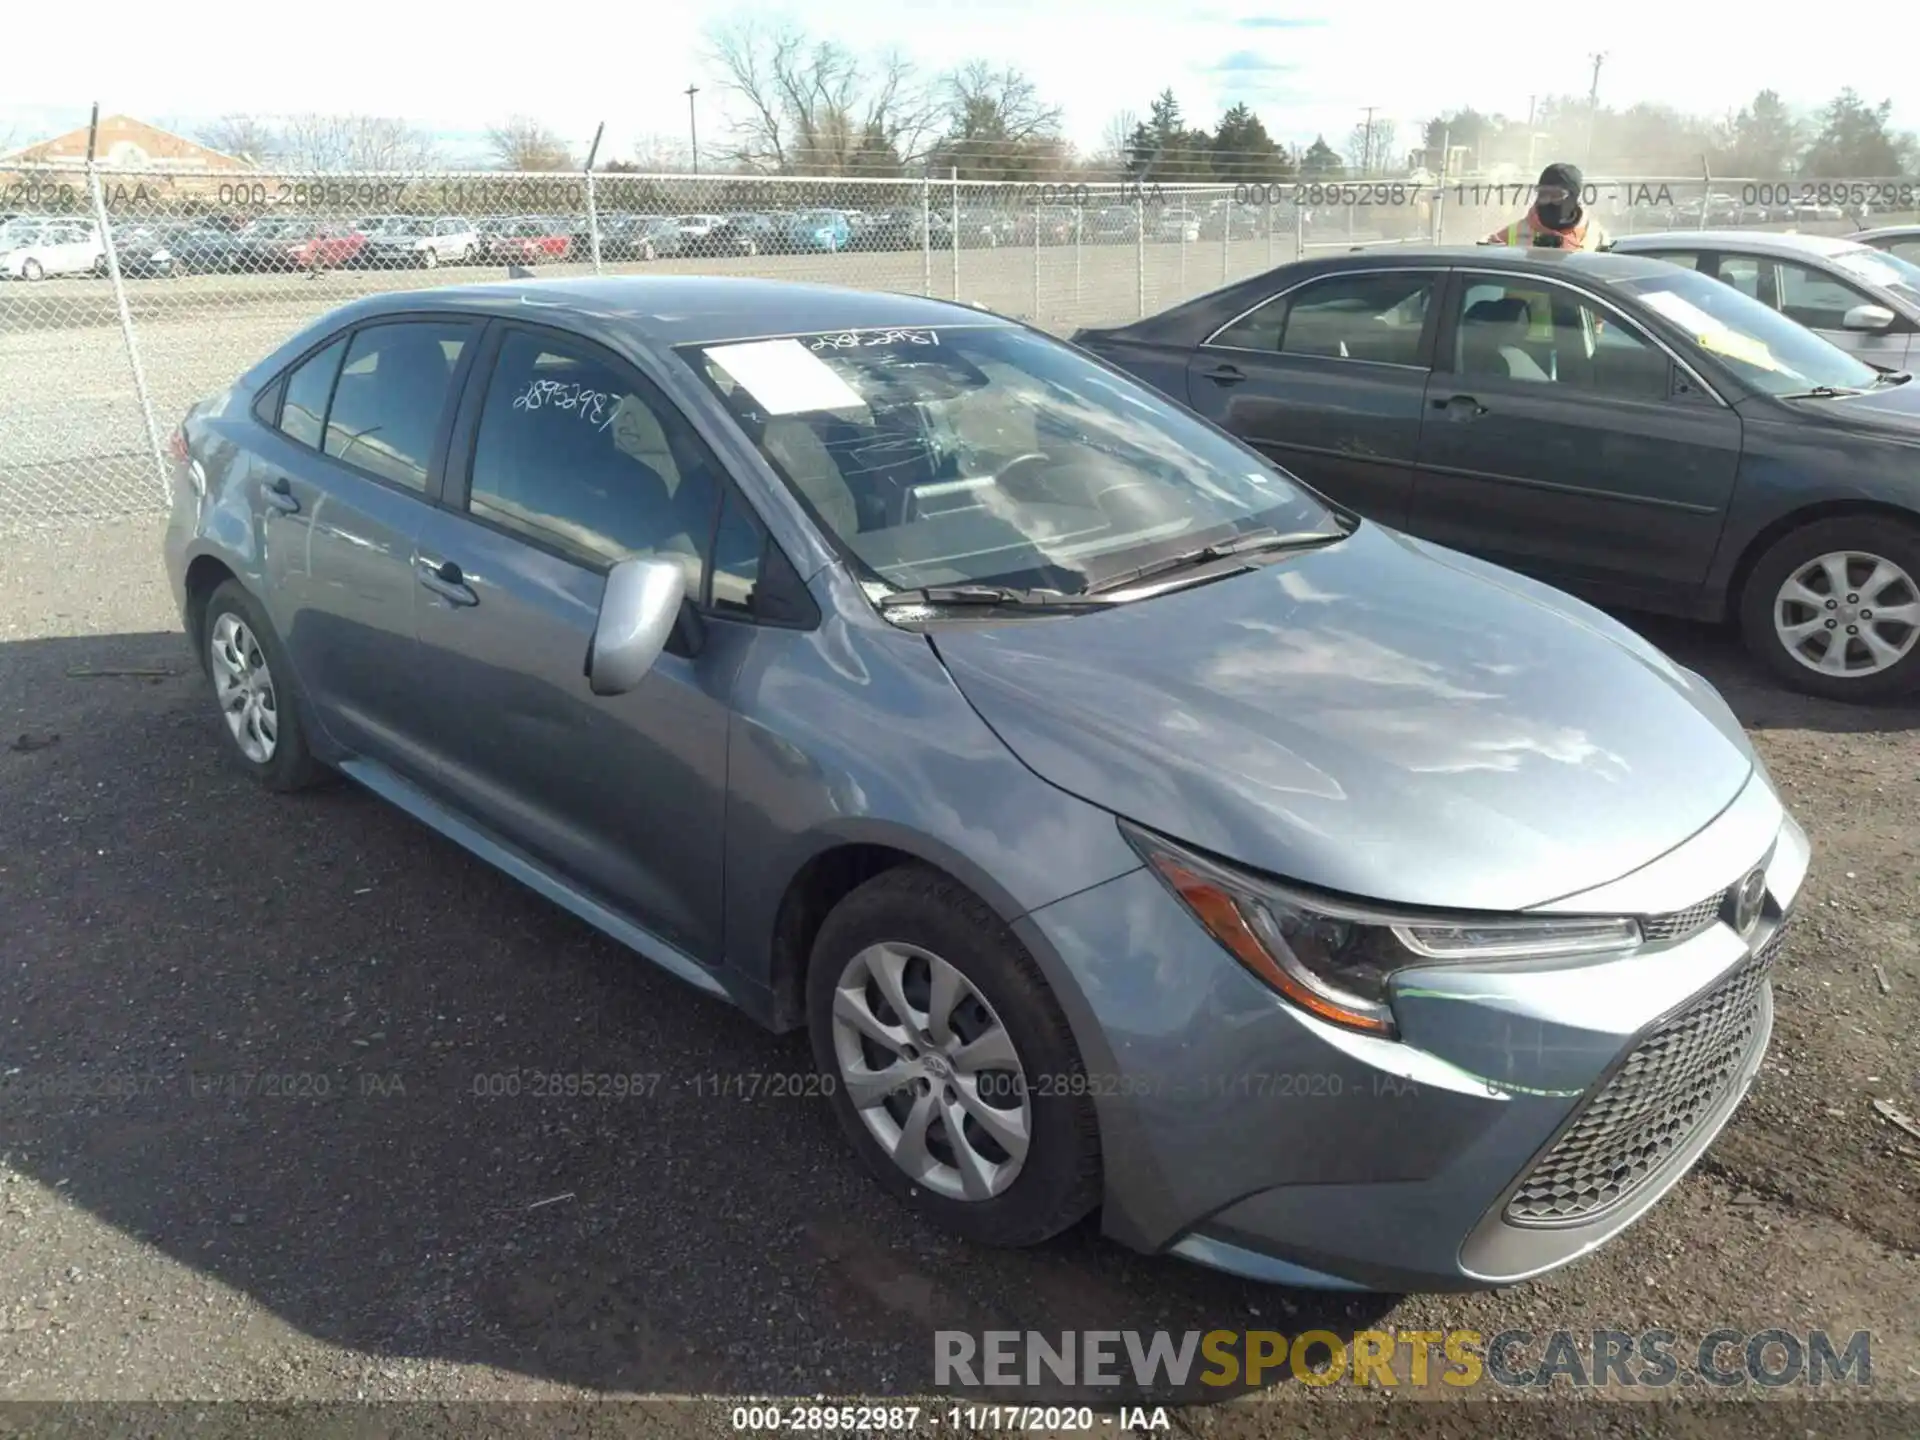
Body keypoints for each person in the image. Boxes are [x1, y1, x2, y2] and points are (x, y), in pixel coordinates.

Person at [1483, 162, 1611, 251]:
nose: (1547, 201)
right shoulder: (1512, 233)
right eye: (1543, 193)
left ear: (1574, 196)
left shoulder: (1596, 237)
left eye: (1556, 195)